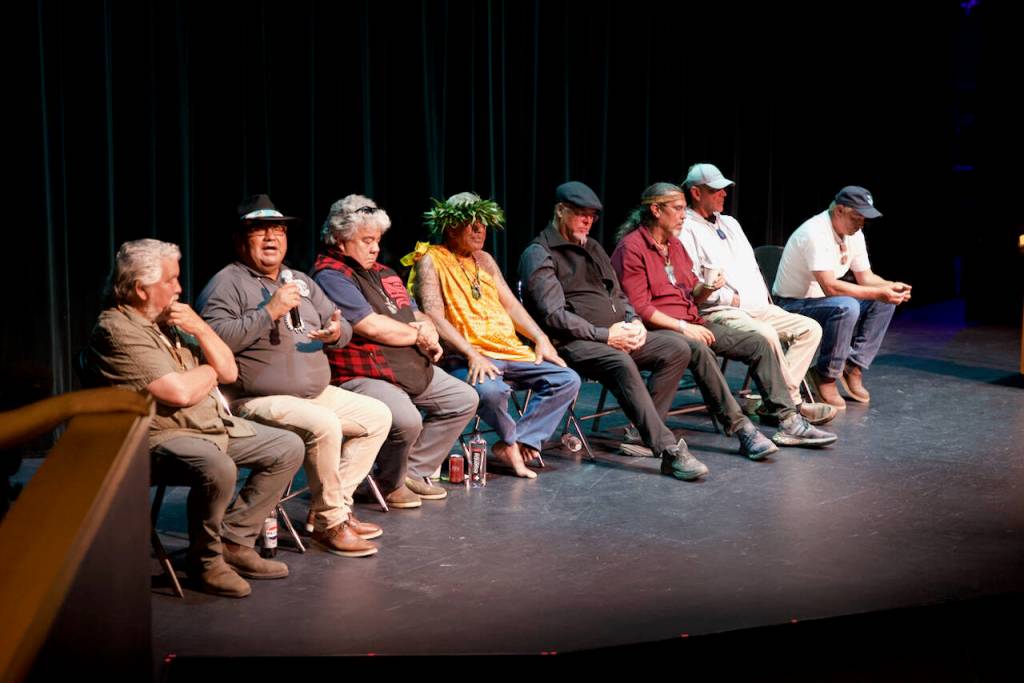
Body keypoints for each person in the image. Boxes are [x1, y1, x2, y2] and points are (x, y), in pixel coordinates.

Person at [85, 238, 304, 597]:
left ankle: (234, 541)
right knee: (216, 466)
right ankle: (206, 562)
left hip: (208, 425)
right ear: (141, 289)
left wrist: (201, 329)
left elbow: (229, 371)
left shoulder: (170, 320)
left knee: (287, 446)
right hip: (156, 438)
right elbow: (179, 393)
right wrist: (208, 371)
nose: (179, 288)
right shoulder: (116, 329)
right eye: (170, 280)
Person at [522, 182, 761, 482]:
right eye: (580, 214)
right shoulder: (539, 253)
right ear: (560, 211)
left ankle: (642, 433)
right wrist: (605, 335)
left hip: (615, 334)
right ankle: (667, 451)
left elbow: (620, 295)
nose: (587, 221)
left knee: (678, 348)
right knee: (620, 362)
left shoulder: (593, 248)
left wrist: (633, 321)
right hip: (573, 343)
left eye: (592, 216)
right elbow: (553, 316)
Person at [197, 194, 390, 559]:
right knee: (324, 425)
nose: (272, 238)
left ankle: (332, 510)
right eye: (260, 231)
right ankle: (332, 525)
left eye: (278, 230)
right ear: (241, 240)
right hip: (255, 400)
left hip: (313, 393)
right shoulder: (227, 283)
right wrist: (268, 312)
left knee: (378, 416)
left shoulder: (299, 279)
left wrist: (337, 333)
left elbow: (342, 324)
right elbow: (214, 339)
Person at [311, 194, 478, 503]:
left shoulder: (383, 271)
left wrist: (426, 324)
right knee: (407, 419)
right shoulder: (331, 276)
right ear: (339, 239)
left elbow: (411, 309)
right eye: (366, 240)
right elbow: (369, 326)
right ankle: (389, 484)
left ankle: (411, 472)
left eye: (376, 240)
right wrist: (417, 336)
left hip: (406, 366)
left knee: (463, 398)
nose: (375, 247)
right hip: (364, 372)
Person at [405, 192, 581, 479]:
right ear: (450, 227)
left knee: (567, 379)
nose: (480, 230)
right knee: (490, 391)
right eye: (472, 224)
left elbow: (510, 304)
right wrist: (472, 354)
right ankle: (511, 443)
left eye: (484, 224)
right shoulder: (430, 259)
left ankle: (521, 440)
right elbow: (434, 316)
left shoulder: (484, 259)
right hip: (464, 355)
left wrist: (540, 338)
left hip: (507, 350)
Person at [679, 163, 836, 425]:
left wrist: (761, 299)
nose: (724, 194)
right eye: (716, 190)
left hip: (759, 306)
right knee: (767, 335)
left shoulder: (730, 223)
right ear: (696, 192)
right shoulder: (686, 229)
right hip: (722, 311)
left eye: (724, 189)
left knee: (810, 329)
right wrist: (733, 299)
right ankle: (790, 404)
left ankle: (775, 401)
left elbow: (750, 267)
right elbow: (694, 283)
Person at [773, 186, 911, 408]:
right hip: (791, 305)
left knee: (884, 301)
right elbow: (830, 288)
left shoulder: (853, 234)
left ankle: (853, 366)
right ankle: (825, 375)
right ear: (839, 210)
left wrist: (890, 286)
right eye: (857, 217)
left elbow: (866, 277)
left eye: (864, 219)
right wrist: (879, 291)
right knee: (846, 306)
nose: (861, 224)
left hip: (823, 302)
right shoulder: (815, 232)